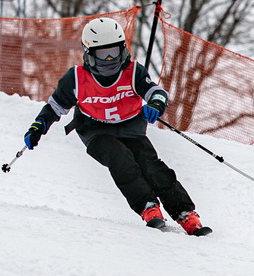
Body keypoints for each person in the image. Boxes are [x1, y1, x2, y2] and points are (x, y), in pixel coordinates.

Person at [21, 16, 212, 236]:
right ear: (89, 53)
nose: (110, 58)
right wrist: (37, 127)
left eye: (114, 51)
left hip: (131, 129)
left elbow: (155, 92)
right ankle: (148, 207)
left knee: (152, 166)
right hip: (96, 132)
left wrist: (156, 104)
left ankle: (185, 214)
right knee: (120, 159)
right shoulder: (76, 78)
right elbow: (55, 107)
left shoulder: (133, 71)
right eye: (103, 53)